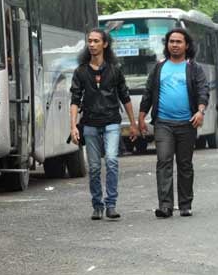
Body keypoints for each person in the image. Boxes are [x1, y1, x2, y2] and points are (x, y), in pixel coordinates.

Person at [139, 28, 209, 218]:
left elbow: (203, 90)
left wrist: (200, 111)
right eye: (171, 41)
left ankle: (185, 204)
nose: (175, 45)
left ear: (186, 45)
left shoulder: (193, 67)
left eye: (179, 42)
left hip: (187, 124)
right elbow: (148, 92)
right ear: (167, 44)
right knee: (163, 161)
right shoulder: (159, 67)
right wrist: (141, 117)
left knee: (184, 164)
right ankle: (165, 206)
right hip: (163, 123)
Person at [70, 28, 139, 220]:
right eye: (89, 41)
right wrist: (73, 125)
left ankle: (111, 204)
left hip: (111, 122)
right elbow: (75, 99)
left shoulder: (115, 70)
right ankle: (97, 205)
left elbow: (125, 97)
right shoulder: (81, 71)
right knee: (93, 167)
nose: (91, 44)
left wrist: (133, 124)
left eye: (96, 41)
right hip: (90, 123)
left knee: (111, 160)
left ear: (105, 44)